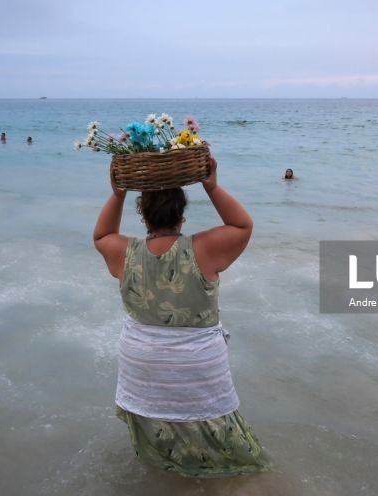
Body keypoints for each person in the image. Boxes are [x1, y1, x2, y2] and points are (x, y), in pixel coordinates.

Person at [93, 157, 272, 478]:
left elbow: (101, 234)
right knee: (235, 456)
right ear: (182, 214)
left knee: (161, 447)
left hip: (143, 367)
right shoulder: (204, 248)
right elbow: (243, 225)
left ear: (143, 214)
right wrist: (212, 185)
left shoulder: (124, 252)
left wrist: (118, 193)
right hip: (195, 365)